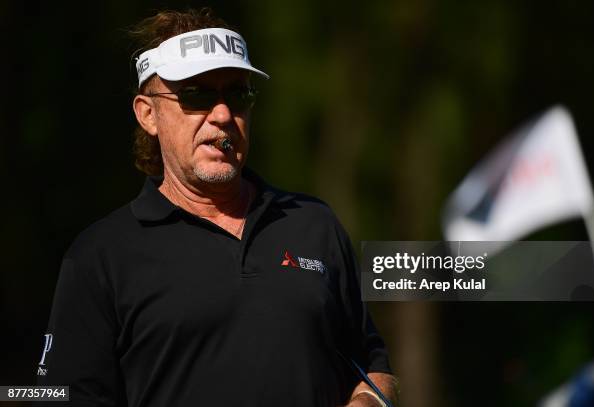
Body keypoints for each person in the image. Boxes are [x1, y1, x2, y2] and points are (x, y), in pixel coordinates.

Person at [37, 7, 398, 407]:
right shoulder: (100, 256)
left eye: (238, 94)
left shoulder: (313, 223)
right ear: (148, 113)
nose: (224, 114)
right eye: (198, 95)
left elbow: (371, 362)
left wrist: (369, 401)